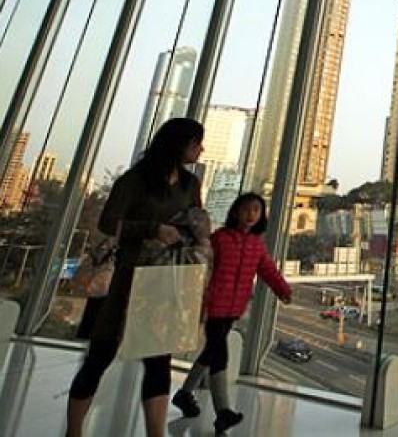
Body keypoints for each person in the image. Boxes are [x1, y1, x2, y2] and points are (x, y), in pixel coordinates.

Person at [67, 117, 205, 437]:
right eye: (196, 142)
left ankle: (155, 433)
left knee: (159, 362)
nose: (200, 149)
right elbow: (107, 222)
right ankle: (73, 431)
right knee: (99, 358)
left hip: (161, 283)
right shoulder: (136, 179)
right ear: (179, 144)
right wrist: (152, 228)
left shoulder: (189, 185)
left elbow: (195, 223)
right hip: (124, 282)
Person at [172, 192, 292, 433]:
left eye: (256, 210)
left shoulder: (257, 245)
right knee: (220, 355)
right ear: (235, 211)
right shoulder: (220, 238)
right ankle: (223, 412)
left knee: (210, 353)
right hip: (214, 305)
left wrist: (282, 289)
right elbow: (202, 263)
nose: (251, 214)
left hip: (234, 307)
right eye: (246, 209)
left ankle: (184, 394)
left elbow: (267, 270)